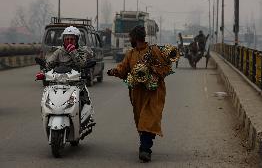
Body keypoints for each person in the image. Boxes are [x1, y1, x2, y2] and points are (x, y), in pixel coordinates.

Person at [107, 25, 172, 163]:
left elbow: (166, 68)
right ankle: (146, 143)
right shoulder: (131, 54)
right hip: (137, 93)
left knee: (147, 119)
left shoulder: (153, 50)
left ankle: (145, 150)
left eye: (131, 37)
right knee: (141, 121)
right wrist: (114, 71)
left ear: (135, 38)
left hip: (153, 92)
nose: (130, 40)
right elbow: (123, 68)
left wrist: (151, 69)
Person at [36, 26, 93, 106]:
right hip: (59, 82)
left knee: (84, 102)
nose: (69, 41)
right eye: (67, 39)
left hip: (76, 83)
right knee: (46, 100)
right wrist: (43, 72)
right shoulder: (59, 51)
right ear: (63, 40)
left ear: (76, 40)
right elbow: (49, 65)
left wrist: (73, 52)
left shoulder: (82, 51)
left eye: (72, 39)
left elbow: (82, 64)